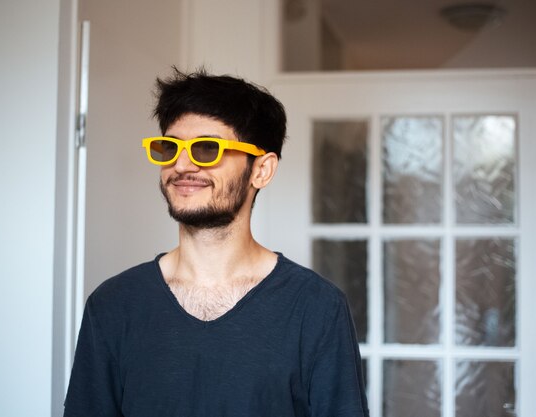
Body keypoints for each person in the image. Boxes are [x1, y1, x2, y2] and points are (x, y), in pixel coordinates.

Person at [63, 68, 369, 417]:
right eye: (169, 147)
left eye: (207, 148)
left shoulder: (317, 308)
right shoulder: (113, 305)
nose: (181, 165)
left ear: (261, 170)